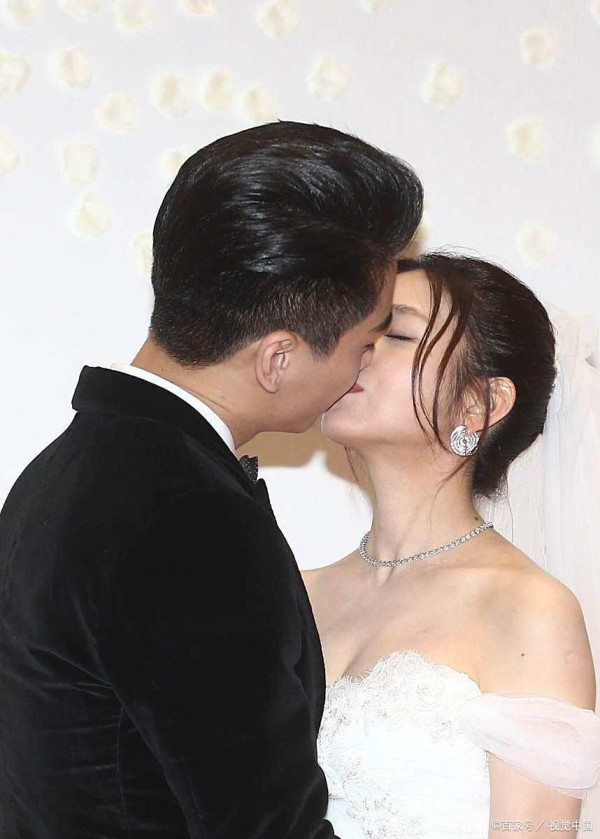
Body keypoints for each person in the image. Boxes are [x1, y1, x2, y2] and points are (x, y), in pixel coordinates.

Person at [0, 121, 423, 838]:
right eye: (367, 340)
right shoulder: (190, 517)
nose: (365, 365)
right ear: (278, 358)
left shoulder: (62, 470)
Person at [303, 252, 600, 839]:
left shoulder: (527, 608)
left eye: (396, 334)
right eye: (361, 327)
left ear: (480, 403)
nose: (356, 347)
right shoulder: (296, 592)